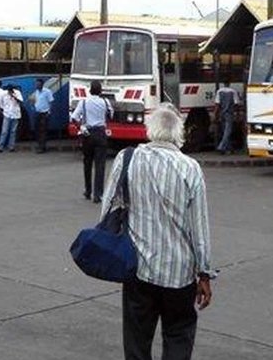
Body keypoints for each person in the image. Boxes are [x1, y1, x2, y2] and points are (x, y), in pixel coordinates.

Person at [99, 104, 213, 360]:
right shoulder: (190, 168)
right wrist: (204, 273)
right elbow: (200, 227)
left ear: (150, 130)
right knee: (178, 335)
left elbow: (108, 209)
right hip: (180, 274)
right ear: (178, 134)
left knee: (137, 341)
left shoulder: (128, 158)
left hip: (139, 269)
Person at [70, 80, 113, 203]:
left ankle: (88, 190)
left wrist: (80, 128)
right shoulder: (105, 102)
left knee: (87, 163)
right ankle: (98, 194)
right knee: (100, 165)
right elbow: (110, 115)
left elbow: (74, 118)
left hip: (87, 134)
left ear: (90, 90)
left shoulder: (83, 102)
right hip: (100, 133)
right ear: (100, 91)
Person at [214, 80, 240, 155]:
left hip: (222, 113)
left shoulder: (219, 91)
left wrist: (215, 115)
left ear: (223, 83)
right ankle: (222, 146)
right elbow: (236, 104)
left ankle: (229, 148)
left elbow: (217, 105)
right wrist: (237, 114)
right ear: (229, 83)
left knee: (224, 131)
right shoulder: (233, 92)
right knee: (228, 131)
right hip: (229, 114)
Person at [29, 79, 54, 153]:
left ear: (42, 84)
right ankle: (40, 145)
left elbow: (51, 102)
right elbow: (33, 101)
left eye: (38, 84)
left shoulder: (47, 91)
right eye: (36, 84)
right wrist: (33, 106)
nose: (37, 85)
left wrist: (49, 112)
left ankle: (42, 147)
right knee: (37, 130)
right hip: (37, 113)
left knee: (43, 130)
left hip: (44, 113)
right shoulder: (36, 92)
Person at [0, 85, 23, 153]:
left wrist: (14, 96)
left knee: (13, 131)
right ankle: (0, 147)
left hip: (15, 114)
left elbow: (21, 102)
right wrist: (1, 111)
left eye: (11, 90)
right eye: (9, 91)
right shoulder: (3, 94)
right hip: (7, 114)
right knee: (4, 131)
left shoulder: (17, 93)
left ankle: (11, 147)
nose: (9, 92)